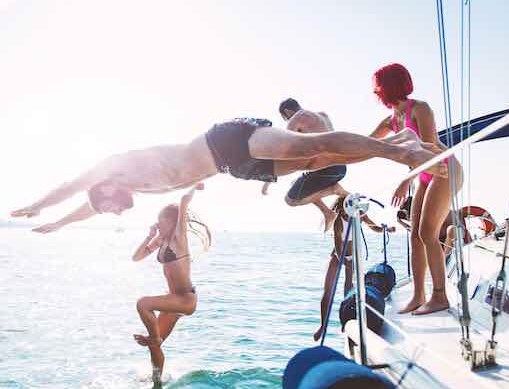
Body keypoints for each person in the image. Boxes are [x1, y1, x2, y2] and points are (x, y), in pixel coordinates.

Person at [11, 116, 446, 232]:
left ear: (102, 189)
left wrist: (37, 204)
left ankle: (400, 153)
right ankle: (405, 139)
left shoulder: (115, 167)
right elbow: (85, 209)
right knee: (321, 162)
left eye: (106, 207)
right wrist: (56, 224)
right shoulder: (136, 191)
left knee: (314, 145)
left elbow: (74, 186)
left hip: (228, 141)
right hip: (234, 165)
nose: (113, 213)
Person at [370, 63, 462, 315]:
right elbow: (367, 142)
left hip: (443, 170)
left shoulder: (420, 109)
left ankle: (440, 296)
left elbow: (429, 152)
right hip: (423, 176)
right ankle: (419, 295)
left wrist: (405, 180)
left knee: (428, 234)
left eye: (378, 86)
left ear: (388, 86)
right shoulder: (392, 120)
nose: (376, 92)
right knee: (415, 235)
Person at [131, 183, 210, 382]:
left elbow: (184, 201)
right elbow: (137, 257)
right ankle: (157, 379)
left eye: (160, 221)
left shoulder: (178, 238)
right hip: (173, 300)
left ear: (172, 222)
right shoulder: (161, 241)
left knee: (143, 303)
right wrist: (149, 236)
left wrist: (195, 183)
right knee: (154, 346)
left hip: (185, 300)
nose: (158, 224)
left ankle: (154, 337)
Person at [313, 196, 395, 341]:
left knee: (349, 288)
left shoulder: (360, 215)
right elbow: (338, 244)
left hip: (353, 256)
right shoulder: (338, 220)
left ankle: (347, 320)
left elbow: (373, 226)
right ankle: (323, 325)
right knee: (328, 290)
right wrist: (343, 260)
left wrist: (385, 229)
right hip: (338, 256)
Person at [262, 98, 349, 232]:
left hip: (325, 169)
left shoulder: (297, 119)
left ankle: (334, 190)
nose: (286, 122)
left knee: (291, 200)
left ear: (286, 112)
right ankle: (327, 213)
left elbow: (283, 152)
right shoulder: (323, 115)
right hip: (340, 167)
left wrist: (267, 180)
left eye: (284, 118)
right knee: (296, 183)